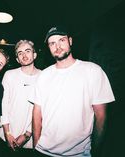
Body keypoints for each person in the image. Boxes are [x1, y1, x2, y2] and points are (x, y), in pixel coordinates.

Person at [29, 26, 115, 157]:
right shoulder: (44, 75)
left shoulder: (92, 71)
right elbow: (37, 112)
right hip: (43, 151)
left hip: (79, 153)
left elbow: (101, 116)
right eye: (52, 43)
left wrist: (96, 152)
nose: (57, 46)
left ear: (70, 41)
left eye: (61, 40)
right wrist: (36, 145)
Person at [0, 40, 41, 157]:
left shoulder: (44, 76)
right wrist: (7, 133)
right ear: (17, 59)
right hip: (5, 137)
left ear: (34, 55)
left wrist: (27, 135)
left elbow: (43, 110)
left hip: (30, 141)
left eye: (27, 51)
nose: (24, 55)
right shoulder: (9, 75)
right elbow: (3, 105)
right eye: (20, 53)